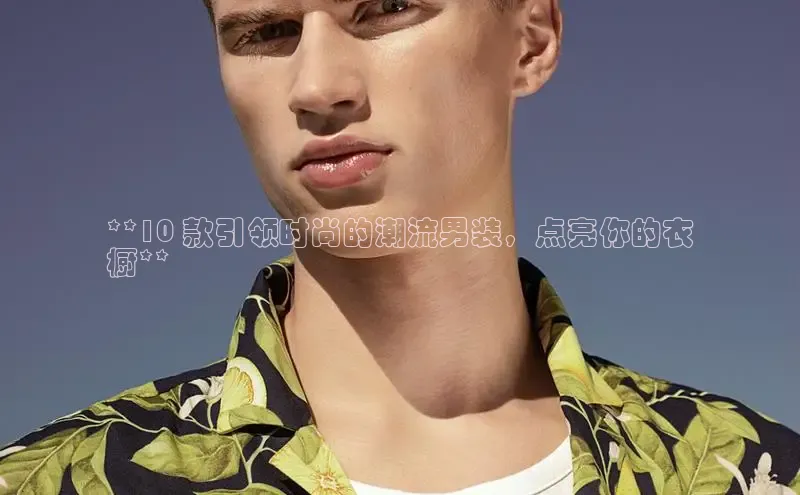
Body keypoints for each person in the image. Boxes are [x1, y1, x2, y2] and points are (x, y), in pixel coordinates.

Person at [1, 0, 798, 494]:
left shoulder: (755, 473)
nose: (318, 87)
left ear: (531, 39)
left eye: (385, 8)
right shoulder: (59, 480)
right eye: (266, 32)